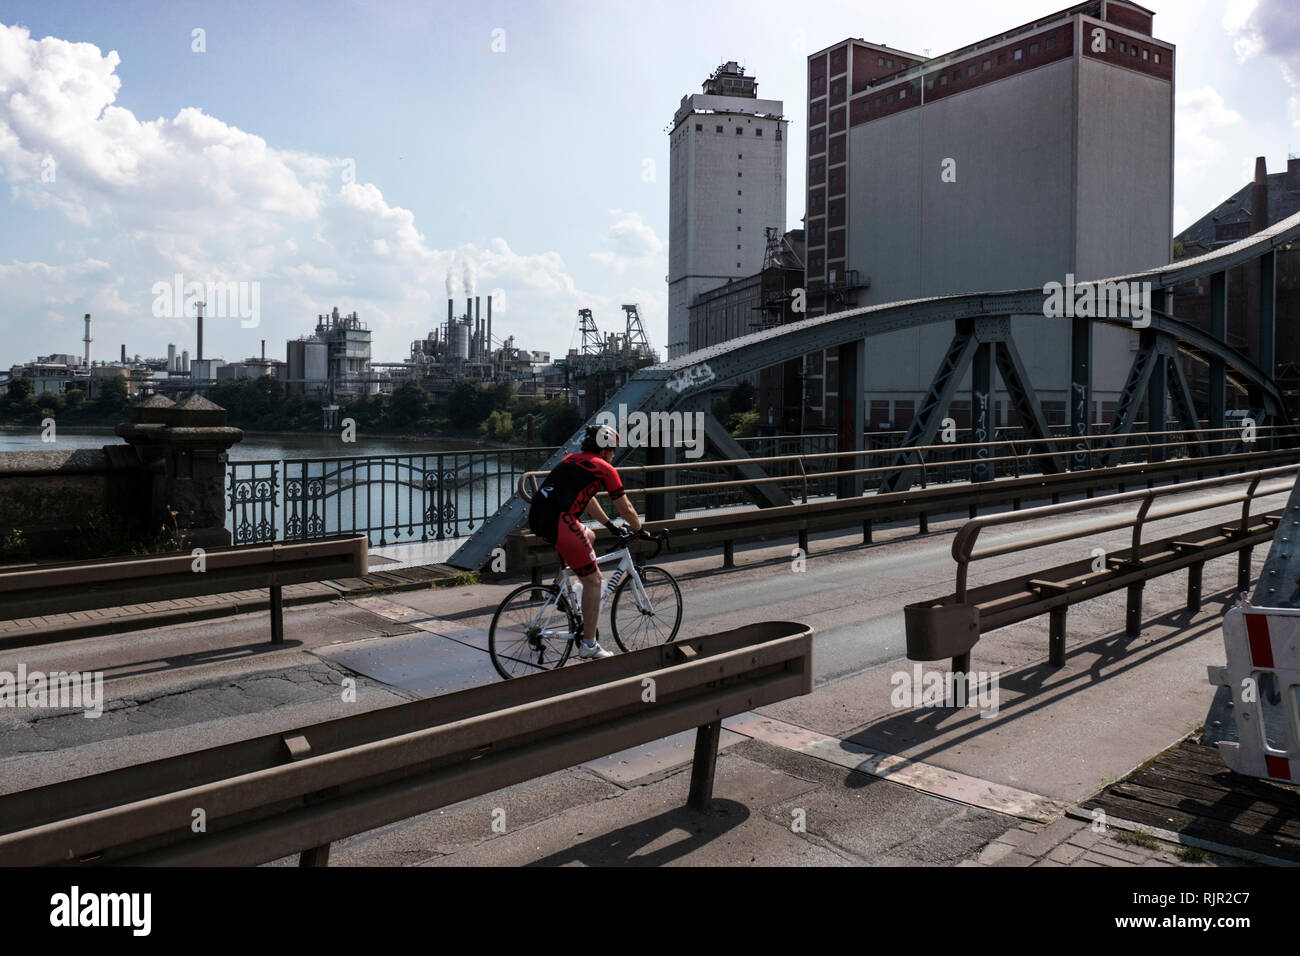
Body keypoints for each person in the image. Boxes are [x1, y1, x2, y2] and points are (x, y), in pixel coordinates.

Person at [528, 423, 644, 659]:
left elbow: (588, 500)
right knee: (594, 580)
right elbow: (627, 509)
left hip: (538, 514)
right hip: (560, 519)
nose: (613, 455)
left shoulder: (572, 459)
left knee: (588, 535)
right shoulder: (605, 469)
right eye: (612, 450)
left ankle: (561, 589)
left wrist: (609, 526)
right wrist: (639, 528)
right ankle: (589, 645)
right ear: (604, 450)